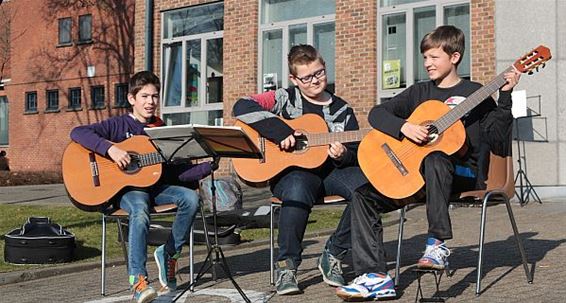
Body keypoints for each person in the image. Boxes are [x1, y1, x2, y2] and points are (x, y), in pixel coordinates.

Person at [336, 25, 521, 301]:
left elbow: (497, 139)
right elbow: (377, 114)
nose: (427, 64)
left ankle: (436, 244)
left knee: (436, 157)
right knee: (363, 195)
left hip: (462, 174)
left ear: (454, 57)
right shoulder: (419, 92)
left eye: (434, 57)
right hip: (418, 177)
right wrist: (404, 128)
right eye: (425, 58)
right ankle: (375, 276)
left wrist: (504, 97)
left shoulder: (476, 92)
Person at [232, 44, 368, 295]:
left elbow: (357, 150)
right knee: (297, 187)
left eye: (320, 73)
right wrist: (280, 132)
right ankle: (288, 266)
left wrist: (344, 154)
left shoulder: (342, 110)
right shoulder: (283, 97)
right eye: (307, 78)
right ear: (294, 79)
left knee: (370, 188)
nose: (315, 81)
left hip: (331, 172)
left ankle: (334, 253)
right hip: (292, 173)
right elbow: (242, 106)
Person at [70, 71, 214, 303]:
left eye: (155, 96)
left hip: (155, 188)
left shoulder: (161, 130)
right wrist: (111, 149)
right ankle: (138, 280)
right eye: (144, 96)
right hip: (124, 191)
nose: (150, 102)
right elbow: (77, 132)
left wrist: (209, 166)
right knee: (139, 207)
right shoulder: (118, 125)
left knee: (191, 198)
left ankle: (169, 253)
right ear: (131, 99)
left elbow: (176, 172)